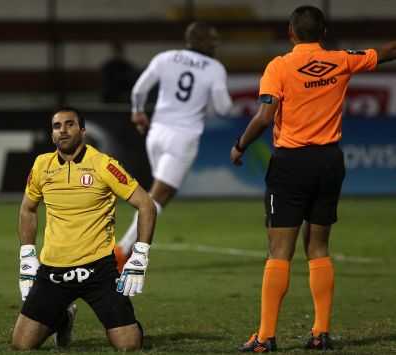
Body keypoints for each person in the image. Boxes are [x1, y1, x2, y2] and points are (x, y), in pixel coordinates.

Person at [230, 6, 396, 352]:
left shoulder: (279, 66)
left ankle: (265, 337)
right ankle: (321, 333)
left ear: (291, 33)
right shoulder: (341, 60)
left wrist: (240, 145)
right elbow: (388, 51)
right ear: (323, 33)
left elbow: (264, 116)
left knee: (279, 251)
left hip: (291, 162)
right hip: (329, 161)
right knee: (318, 247)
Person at [10, 107, 157, 351]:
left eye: (69, 124)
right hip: (53, 272)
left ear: (83, 131)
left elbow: (146, 205)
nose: (63, 130)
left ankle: (127, 324)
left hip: (98, 270)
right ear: (52, 134)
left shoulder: (104, 165)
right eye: (57, 126)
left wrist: (140, 255)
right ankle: (63, 318)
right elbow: (27, 209)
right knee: (21, 344)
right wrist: (27, 256)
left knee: (128, 345)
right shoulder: (41, 165)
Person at [113, 21, 233, 270]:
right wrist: (207, 102)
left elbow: (139, 90)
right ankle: (120, 253)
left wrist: (137, 113)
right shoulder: (214, 68)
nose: (216, 44)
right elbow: (223, 108)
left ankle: (126, 249)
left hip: (156, 134)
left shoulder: (166, 58)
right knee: (158, 198)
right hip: (183, 137)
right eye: (213, 39)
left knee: (158, 196)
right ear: (199, 40)